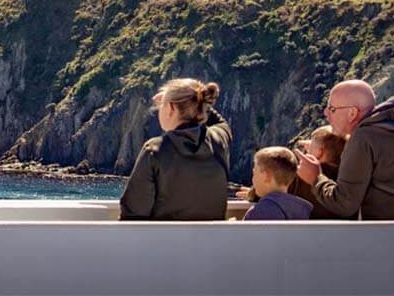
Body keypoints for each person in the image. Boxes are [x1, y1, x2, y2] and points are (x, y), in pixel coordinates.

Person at [295, 79, 394, 220]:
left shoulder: (363, 138)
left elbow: (344, 204)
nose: (326, 113)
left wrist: (316, 178)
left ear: (353, 113)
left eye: (332, 109)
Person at [119, 78, 231, 220]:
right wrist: (195, 102)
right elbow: (221, 122)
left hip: (165, 241)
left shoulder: (154, 150)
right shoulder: (219, 140)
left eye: (162, 105)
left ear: (171, 108)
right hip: (214, 241)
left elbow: (133, 212)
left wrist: (187, 99)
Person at [237, 125, 350, 219]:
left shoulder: (305, 176)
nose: (306, 146)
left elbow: (277, 186)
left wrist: (255, 191)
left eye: (312, 142)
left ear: (320, 152)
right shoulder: (345, 180)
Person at [243, 147, 312, 220]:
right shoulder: (300, 211)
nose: (253, 179)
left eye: (254, 173)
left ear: (267, 176)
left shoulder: (258, 212)